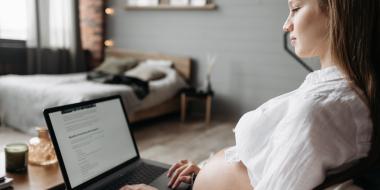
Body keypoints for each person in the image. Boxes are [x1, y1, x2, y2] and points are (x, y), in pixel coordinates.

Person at [120, 0, 380, 189]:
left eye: (295, 9)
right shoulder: (339, 94)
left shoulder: (321, 108)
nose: (286, 25)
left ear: (336, 10)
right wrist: (205, 172)